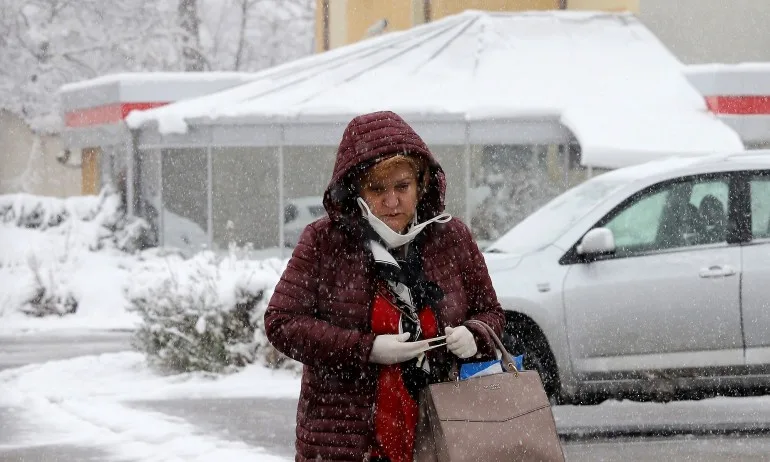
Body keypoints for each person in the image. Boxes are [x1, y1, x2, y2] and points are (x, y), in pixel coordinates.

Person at [264, 111, 505, 462]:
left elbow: (491, 312)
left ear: (421, 184)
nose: (391, 202)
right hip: (346, 442)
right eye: (377, 189)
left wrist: (474, 335)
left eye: (401, 187)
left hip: (443, 435)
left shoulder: (451, 237)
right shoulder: (324, 242)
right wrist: (367, 348)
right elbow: (282, 323)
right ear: (355, 190)